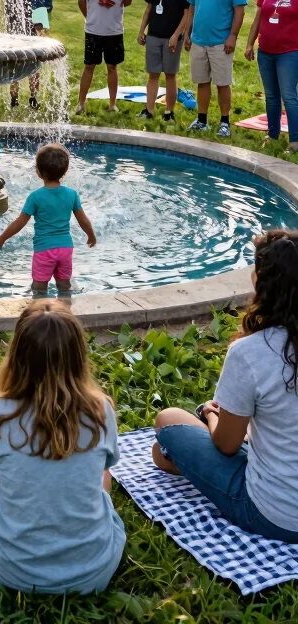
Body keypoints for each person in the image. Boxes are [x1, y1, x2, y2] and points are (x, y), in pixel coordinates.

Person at [0, 301, 125, 594]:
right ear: (79, 356)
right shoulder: (101, 410)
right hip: (95, 571)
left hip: (12, 572)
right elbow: (104, 474)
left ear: (16, 354)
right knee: (101, 480)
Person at [152, 229, 298, 542]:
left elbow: (227, 445)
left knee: (166, 424)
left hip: (274, 516)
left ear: (261, 285)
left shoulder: (251, 352)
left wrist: (211, 413)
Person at [0, 143, 96, 294]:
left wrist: (1, 239)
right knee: (64, 285)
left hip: (44, 250)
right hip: (66, 248)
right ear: (65, 171)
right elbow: (83, 220)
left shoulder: (35, 197)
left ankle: (39, 312)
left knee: (39, 287)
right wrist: (91, 235)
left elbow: (20, 223)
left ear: (38, 172)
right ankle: (65, 312)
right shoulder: (71, 194)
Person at [184, 0, 247, 138]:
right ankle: (202, 120)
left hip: (221, 42)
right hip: (199, 40)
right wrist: (188, 33)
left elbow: (239, 11)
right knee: (202, 82)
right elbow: (191, 8)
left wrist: (233, 37)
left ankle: (224, 122)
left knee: (222, 83)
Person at [244, 0, 298, 151]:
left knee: (289, 95)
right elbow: (258, 19)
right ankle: (272, 135)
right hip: (265, 51)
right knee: (271, 96)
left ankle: (295, 141)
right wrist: (250, 44)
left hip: (290, 52)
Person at [75, 0, 133, 114]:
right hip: (93, 30)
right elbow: (81, 1)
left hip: (114, 30)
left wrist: (115, 2)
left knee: (112, 66)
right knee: (89, 66)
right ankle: (81, 103)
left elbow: (128, 0)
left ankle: (112, 103)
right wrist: (90, 17)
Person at [136, 0, 191, 122]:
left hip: (171, 36)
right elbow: (149, 8)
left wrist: (176, 35)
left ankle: (169, 111)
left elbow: (187, 13)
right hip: (154, 34)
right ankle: (149, 110)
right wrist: (142, 30)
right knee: (153, 73)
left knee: (170, 74)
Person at [8, 0, 53, 110]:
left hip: (35, 25)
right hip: (16, 25)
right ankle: (14, 98)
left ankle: (33, 97)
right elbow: (8, 5)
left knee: (34, 61)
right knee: (16, 61)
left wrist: (39, 26)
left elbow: (47, 3)